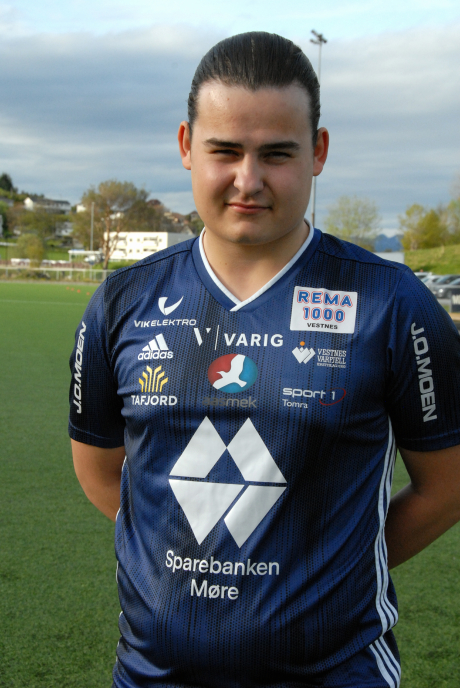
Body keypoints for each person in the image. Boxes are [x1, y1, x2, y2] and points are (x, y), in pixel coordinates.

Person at [69, 32, 460, 688]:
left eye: (277, 154)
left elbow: (447, 486)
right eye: (225, 151)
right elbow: (101, 473)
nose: (248, 181)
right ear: (187, 145)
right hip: (152, 674)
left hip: (336, 673)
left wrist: (330, 570)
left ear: (318, 151)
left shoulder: (393, 303)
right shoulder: (123, 302)